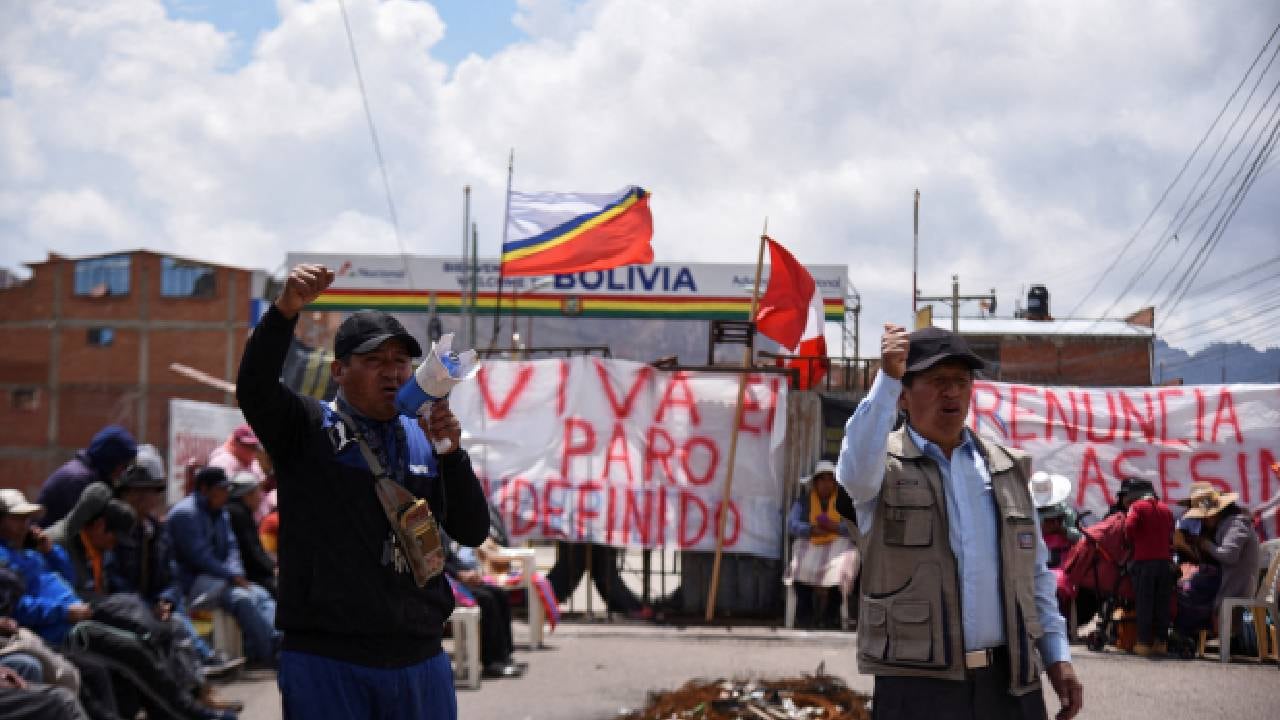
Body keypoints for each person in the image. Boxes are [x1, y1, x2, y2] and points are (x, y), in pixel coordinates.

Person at [235, 264, 492, 719]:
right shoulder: (308, 429)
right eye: (374, 361)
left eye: (400, 361)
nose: (391, 373)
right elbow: (255, 388)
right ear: (339, 370)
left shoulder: (424, 437)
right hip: (328, 662)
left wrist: (452, 454)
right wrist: (286, 309)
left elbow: (471, 531)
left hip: (420, 660)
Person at [836, 325, 1082, 720]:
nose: (951, 392)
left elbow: (1034, 576)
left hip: (1010, 684)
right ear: (903, 394)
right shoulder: (881, 470)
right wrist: (885, 377)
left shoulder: (1006, 469)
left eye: (960, 382)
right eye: (936, 381)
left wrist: (1057, 657)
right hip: (916, 689)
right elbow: (853, 474)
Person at [167, 467, 278, 667]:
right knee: (243, 598)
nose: (226, 493)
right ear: (204, 489)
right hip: (194, 582)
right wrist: (231, 576)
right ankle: (269, 653)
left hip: (221, 579)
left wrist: (236, 573)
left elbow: (232, 547)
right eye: (221, 489)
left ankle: (277, 640)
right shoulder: (184, 514)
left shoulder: (221, 513)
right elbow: (200, 557)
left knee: (260, 593)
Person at [1182, 482, 1261, 640]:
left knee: (1186, 593)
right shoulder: (1227, 524)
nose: (1203, 521)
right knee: (1187, 585)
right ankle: (1194, 635)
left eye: (1204, 517)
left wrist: (1207, 545)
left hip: (1235, 585)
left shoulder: (1236, 524)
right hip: (1227, 580)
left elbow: (1229, 556)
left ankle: (1188, 636)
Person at [786, 460, 858, 629]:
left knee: (842, 570)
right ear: (815, 482)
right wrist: (811, 529)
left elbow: (856, 527)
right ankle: (805, 616)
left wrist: (836, 527)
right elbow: (792, 524)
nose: (826, 484)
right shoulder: (804, 502)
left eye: (830, 479)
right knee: (798, 568)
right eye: (822, 480)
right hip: (811, 544)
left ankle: (831, 617)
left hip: (838, 545)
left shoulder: (845, 502)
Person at [442, 532, 523, 679]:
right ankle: (492, 662)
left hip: (456, 578)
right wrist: (459, 574)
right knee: (487, 600)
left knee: (500, 594)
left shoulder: (439, 526)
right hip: (444, 583)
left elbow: (450, 557)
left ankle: (505, 655)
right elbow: (436, 562)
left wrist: (468, 572)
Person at [43, 484, 136, 601]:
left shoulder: (100, 548)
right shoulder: (54, 543)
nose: (114, 545)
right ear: (99, 525)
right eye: (114, 538)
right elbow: (58, 595)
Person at [37, 426, 137, 529]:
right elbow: (87, 529)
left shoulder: (91, 476)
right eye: (124, 465)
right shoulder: (78, 480)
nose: (123, 471)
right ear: (111, 461)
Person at [1120, 478, 1174, 657]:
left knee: (1145, 604)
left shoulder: (1137, 507)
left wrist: (1133, 540)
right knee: (1162, 604)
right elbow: (1171, 533)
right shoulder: (1166, 509)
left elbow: (1129, 527)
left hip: (1144, 563)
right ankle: (1161, 642)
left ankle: (1143, 643)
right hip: (1165, 564)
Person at [224, 472, 277, 599]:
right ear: (248, 494)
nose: (260, 498)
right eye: (258, 493)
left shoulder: (237, 511)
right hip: (247, 574)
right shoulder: (238, 514)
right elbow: (252, 551)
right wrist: (272, 569)